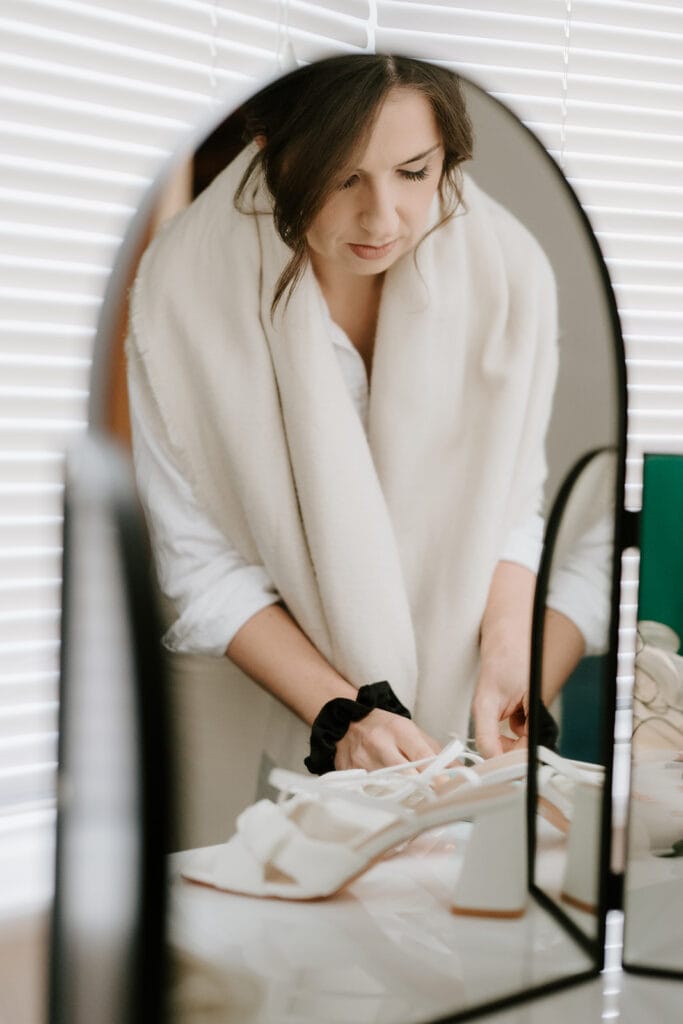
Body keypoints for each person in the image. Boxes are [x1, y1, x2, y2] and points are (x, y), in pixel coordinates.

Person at [126, 54, 568, 786]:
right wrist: (341, 716)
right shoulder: (181, 292)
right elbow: (199, 569)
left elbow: (511, 503)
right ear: (268, 149)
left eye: (415, 172)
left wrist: (504, 651)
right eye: (341, 175)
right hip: (250, 734)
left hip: (447, 733)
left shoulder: (509, 276)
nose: (382, 218)